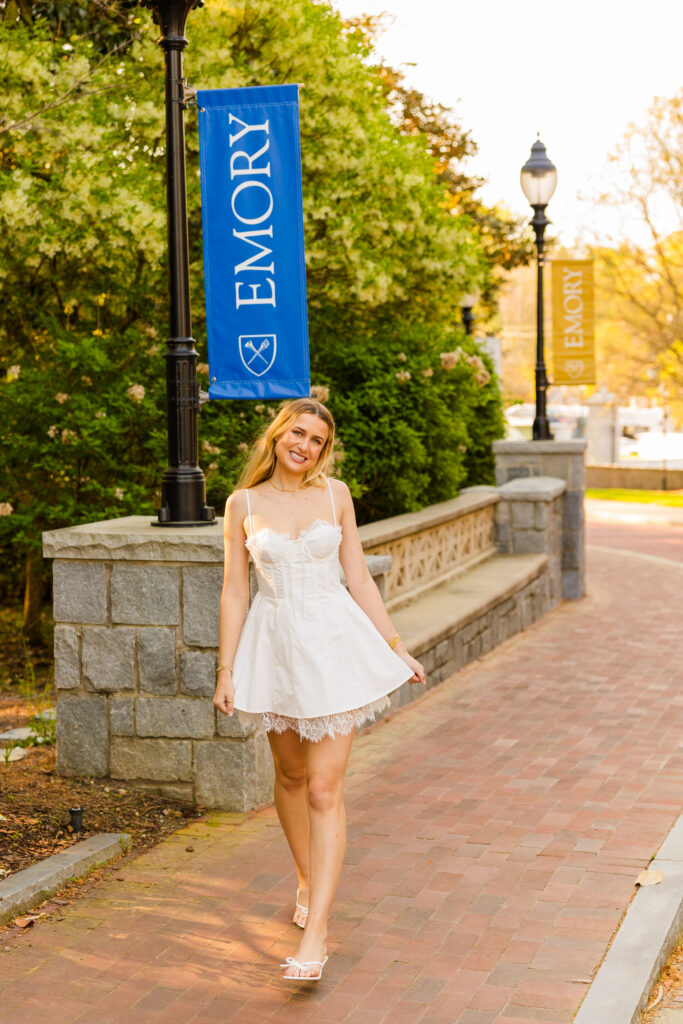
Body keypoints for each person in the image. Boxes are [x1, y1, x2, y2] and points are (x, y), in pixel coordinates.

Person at [213, 397, 425, 981]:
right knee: (289, 777)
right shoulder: (243, 504)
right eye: (297, 433)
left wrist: (394, 645)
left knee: (326, 789)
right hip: (275, 649)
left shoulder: (337, 496)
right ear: (278, 434)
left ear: (324, 451)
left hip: (333, 648)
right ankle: (306, 879)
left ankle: (317, 933)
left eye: (317, 441)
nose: (304, 446)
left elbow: (356, 574)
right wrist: (226, 670)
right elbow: (235, 590)